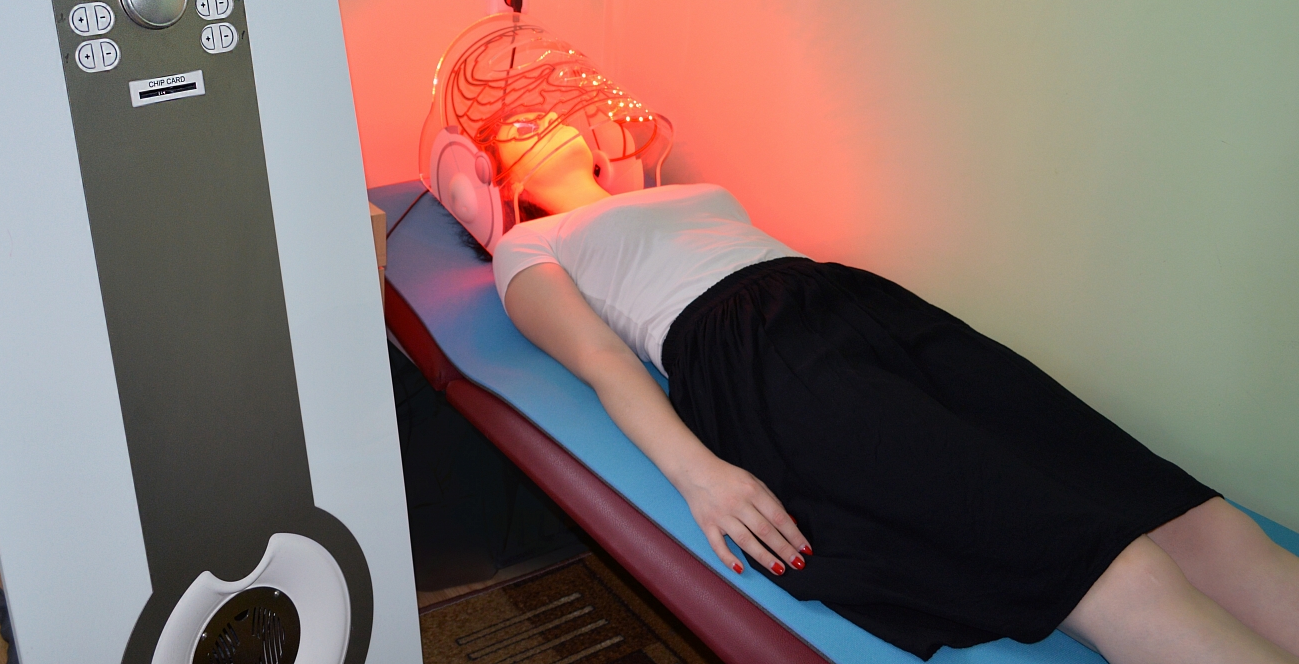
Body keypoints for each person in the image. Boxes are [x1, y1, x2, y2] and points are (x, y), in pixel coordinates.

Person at [490, 124, 1299, 663]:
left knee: (1182, 512)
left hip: (862, 304)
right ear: (504, 178)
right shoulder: (526, 243)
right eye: (514, 128)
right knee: (1103, 562)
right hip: (755, 358)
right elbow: (601, 358)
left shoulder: (687, 190)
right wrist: (701, 475)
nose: (541, 117)